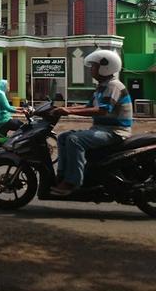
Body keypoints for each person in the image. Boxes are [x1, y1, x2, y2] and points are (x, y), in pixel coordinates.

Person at [51, 49, 133, 196]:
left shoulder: (114, 86)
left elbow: (103, 110)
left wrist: (69, 111)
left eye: (94, 66)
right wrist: (62, 108)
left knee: (74, 140)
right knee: (63, 136)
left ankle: (73, 182)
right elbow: (88, 107)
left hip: (115, 131)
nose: (91, 70)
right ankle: (62, 175)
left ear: (105, 67)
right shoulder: (101, 87)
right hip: (101, 129)